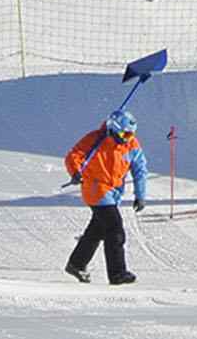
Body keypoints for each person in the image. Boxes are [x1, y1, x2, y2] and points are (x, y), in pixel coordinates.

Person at [64, 110, 149, 286]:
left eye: (131, 133)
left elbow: (140, 169)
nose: (128, 137)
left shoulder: (131, 143)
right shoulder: (95, 139)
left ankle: (77, 263)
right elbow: (73, 156)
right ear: (114, 128)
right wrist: (75, 171)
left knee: (97, 230)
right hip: (96, 188)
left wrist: (140, 195)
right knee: (115, 229)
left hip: (114, 192)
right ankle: (117, 273)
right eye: (125, 133)